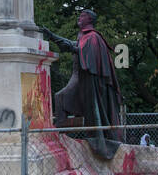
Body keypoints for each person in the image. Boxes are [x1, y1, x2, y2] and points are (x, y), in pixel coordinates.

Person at [41, 9, 127, 160]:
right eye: (79, 16)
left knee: (63, 98)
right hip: (79, 77)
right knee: (60, 98)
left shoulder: (93, 37)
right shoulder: (84, 36)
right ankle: (62, 135)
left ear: (89, 20)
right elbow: (75, 45)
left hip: (89, 82)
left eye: (82, 16)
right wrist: (52, 37)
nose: (79, 18)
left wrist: (55, 38)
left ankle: (67, 135)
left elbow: (77, 49)